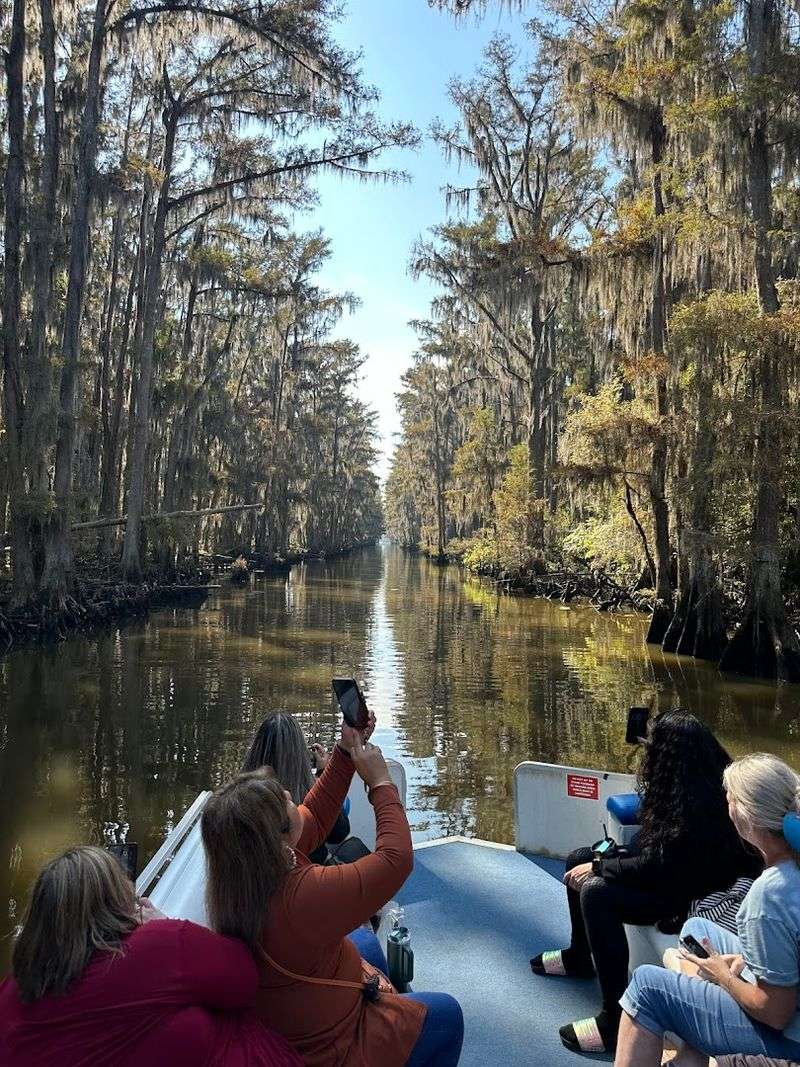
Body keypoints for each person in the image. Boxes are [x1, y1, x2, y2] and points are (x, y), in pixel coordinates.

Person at [202, 716, 464, 1067]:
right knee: (446, 1014)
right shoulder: (302, 896)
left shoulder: (246, 875)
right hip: (330, 1047)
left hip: (296, 1016)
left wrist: (344, 751)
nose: (290, 795)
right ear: (278, 836)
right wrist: (381, 784)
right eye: (285, 801)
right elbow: (396, 860)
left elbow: (315, 813)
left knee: (365, 941)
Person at [531, 709, 762, 1055]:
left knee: (596, 893)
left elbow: (662, 865)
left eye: (653, 745)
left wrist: (601, 868)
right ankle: (580, 957)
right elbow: (659, 848)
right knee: (580, 856)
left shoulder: (704, 805)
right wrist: (605, 858)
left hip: (691, 895)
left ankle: (613, 1019)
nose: (648, 750)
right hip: (675, 876)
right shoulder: (688, 784)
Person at [0, 845, 301, 1067]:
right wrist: (165, 925)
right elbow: (244, 976)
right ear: (115, 903)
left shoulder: (11, 990)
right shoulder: (157, 945)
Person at [616, 753, 800, 1067]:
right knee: (697, 931)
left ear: (745, 818)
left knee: (646, 988)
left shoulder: (770, 895)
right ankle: (692, 1055)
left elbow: (775, 1012)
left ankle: (691, 1052)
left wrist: (724, 976)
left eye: (730, 799)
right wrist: (745, 961)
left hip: (789, 1038)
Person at [241, 710, 351, 864]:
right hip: (306, 869)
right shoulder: (307, 793)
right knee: (353, 847)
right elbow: (339, 833)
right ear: (300, 752)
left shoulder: (239, 797)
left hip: (261, 872)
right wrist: (323, 776)